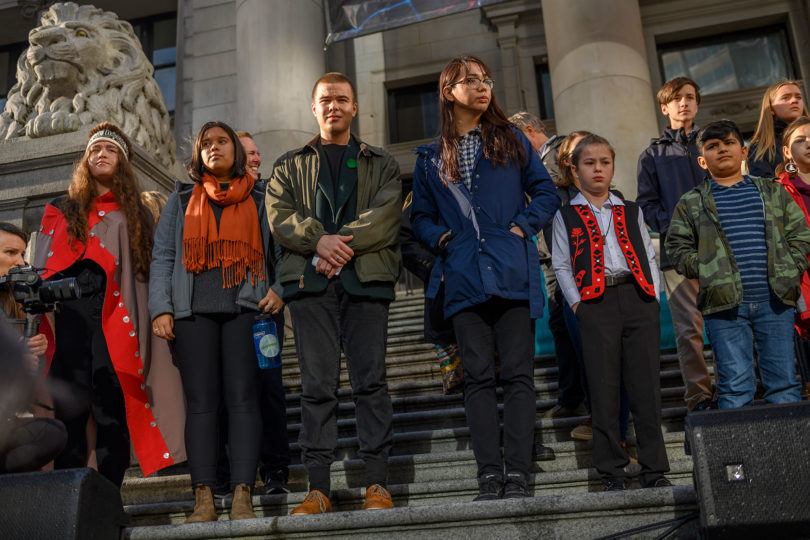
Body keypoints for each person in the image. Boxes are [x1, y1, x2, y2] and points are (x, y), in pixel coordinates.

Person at [411, 55, 559, 501]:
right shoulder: (430, 156)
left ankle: (518, 473)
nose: (482, 87)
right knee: (476, 379)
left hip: (512, 271)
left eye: (486, 80)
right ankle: (488, 476)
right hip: (462, 278)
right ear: (447, 91)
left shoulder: (512, 139)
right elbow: (419, 216)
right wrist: (442, 240)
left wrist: (522, 226)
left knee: (517, 375)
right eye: (470, 80)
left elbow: (547, 192)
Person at [267, 72, 401, 515]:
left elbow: (384, 216)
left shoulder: (381, 162)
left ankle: (377, 484)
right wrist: (318, 241)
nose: (334, 106)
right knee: (316, 385)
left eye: (342, 99)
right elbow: (280, 215)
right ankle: (318, 488)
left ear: (354, 107)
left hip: (365, 282)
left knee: (371, 383)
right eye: (325, 99)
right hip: (311, 286)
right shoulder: (288, 164)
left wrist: (334, 245)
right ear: (313, 107)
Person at [33, 122, 186, 488]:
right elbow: (42, 267)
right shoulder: (61, 210)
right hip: (68, 318)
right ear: (85, 161)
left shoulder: (135, 214)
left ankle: (108, 492)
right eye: (95, 150)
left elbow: (146, 271)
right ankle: (69, 490)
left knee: (109, 409)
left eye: (110, 150)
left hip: (115, 321)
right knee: (69, 407)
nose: (101, 154)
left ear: (123, 161)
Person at [150, 121, 282, 522]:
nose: (214, 148)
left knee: (244, 402)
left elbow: (283, 251)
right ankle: (203, 497)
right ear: (198, 154)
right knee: (203, 406)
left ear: (235, 152)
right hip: (193, 315)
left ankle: (243, 493)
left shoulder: (261, 197)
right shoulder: (180, 198)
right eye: (206, 143)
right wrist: (161, 307)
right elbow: (163, 257)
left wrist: (280, 289)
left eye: (222, 141)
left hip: (246, 309)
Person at [552, 133, 670, 491]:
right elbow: (561, 264)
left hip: (638, 298)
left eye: (605, 162)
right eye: (590, 163)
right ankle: (611, 470)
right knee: (604, 388)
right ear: (574, 171)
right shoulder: (565, 214)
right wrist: (578, 305)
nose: (598, 169)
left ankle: (654, 469)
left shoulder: (630, 209)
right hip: (596, 304)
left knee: (646, 387)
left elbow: (648, 254)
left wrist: (653, 295)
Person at [666, 120, 810, 409]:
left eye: (729, 143)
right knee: (735, 387)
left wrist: (790, 268)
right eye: (712, 146)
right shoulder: (691, 202)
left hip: (776, 301)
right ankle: (741, 453)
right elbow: (677, 247)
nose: (722, 150)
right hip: (724, 308)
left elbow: (800, 235)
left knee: (784, 383)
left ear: (743, 152)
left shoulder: (771, 191)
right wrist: (706, 270)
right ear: (702, 160)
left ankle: (791, 454)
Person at [208, 130, 289, 496]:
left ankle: (275, 470)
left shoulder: (269, 195)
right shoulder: (209, 199)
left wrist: (281, 289)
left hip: (263, 312)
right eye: (249, 153)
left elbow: (286, 250)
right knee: (229, 392)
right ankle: (230, 469)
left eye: (258, 153)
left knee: (268, 387)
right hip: (223, 313)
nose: (256, 158)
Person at [636, 77, 712, 412]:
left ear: (697, 104)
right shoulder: (652, 155)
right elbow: (646, 206)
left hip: (723, 249)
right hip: (677, 254)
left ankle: (736, 388)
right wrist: (677, 226)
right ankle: (700, 395)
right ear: (664, 107)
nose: (684, 103)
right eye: (676, 99)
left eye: (690, 98)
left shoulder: (713, 144)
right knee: (688, 330)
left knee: (730, 322)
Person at [510, 112, 584, 425]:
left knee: (578, 326)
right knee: (560, 325)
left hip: (573, 254)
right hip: (549, 255)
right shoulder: (528, 163)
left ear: (528, 131)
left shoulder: (561, 151)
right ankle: (571, 397)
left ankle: (586, 400)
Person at [0, 222, 66, 474]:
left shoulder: (15, 302)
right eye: (10, 253)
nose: (20, 262)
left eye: (22, 254)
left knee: (51, 434)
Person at [775, 116, 810, 393]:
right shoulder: (778, 192)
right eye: (800, 140)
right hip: (804, 280)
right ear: (787, 151)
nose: (808, 144)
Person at [748, 81, 809, 178]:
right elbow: (767, 189)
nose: (794, 100)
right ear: (771, 108)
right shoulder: (759, 149)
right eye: (785, 97)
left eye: (798, 97)